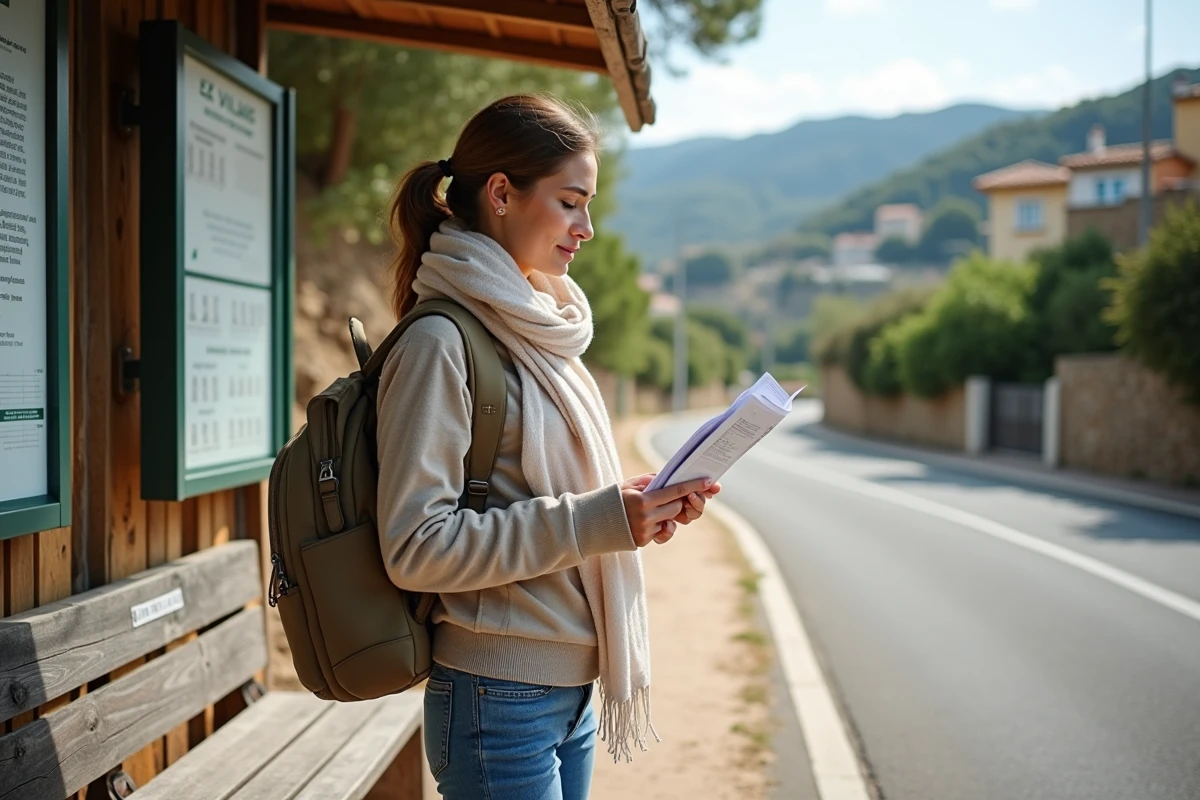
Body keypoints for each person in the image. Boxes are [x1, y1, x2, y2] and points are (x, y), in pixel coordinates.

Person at [375, 94, 720, 800]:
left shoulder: (539, 328)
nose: (586, 228)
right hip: (498, 697)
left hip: (566, 690)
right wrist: (596, 520)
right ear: (502, 193)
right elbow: (415, 545)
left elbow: (542, 496)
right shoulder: (441, 343)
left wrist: (635, 509)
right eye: (570, 202)